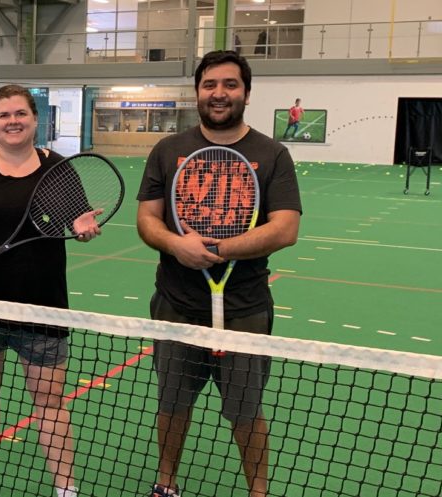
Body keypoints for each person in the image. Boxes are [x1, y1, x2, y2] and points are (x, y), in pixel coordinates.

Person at [136, 50, 302, 497]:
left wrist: (216, 249)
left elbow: (286, 229)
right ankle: (166, 483)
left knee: (245, 411)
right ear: (197, 92)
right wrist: (176, 245)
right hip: (175, 305)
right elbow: (147, 220)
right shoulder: (169, 150)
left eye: (230, 84)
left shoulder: (272, 154)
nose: (219, 93)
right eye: (210, 85)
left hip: (244, 310)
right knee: (171, 404)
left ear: (246, 92)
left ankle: (258, 492)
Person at [0, 84, 104, 497]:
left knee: (50, 403)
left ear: (35, 119)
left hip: (42, 307)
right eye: (4, 115)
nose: (13, 121)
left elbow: (78, 222)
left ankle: (66, 489)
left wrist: (83, 230)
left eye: (20, 114)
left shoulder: (59, 169)